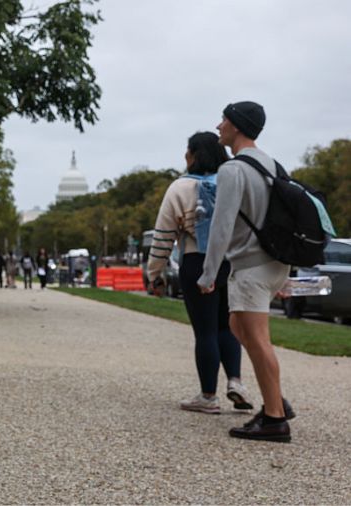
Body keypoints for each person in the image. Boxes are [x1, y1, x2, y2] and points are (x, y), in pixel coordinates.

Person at [197, 101, 295, 442]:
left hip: (251, 266)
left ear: (237, 125)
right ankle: (275, 397)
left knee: (257, 338)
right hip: (273, 262)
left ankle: (274, 419)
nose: (218, 125)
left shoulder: (233, 170)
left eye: (223, 119)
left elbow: (221, 226)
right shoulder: (273, 165)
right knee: (238, 326)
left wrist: (208, 274)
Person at [148, 131, 251, 416]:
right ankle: (236, 382)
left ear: (192, 155)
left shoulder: (180, 188)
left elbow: (164, 236)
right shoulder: (232, 183)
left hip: (196, 261)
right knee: (228, 327)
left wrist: (154, 273)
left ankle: (208, 396)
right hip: (230, 263)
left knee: (205, 331)